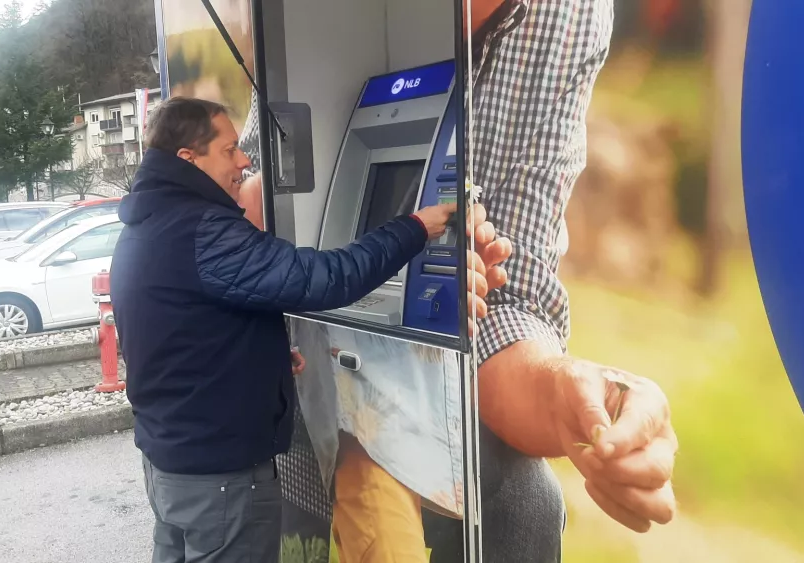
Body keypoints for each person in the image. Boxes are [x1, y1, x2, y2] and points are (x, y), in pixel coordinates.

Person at [278, 1, 679, 562]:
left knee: (524, 502)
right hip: (298, 354)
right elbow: (257, 209)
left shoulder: (570, 15)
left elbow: (512, 294)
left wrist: (572, 393)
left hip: (418, 377)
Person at [109, 96, 502, 563]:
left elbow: (186, 330)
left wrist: (266, 356)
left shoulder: (149, 221)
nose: (245, 161)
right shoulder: (204, 231)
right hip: (220, 477)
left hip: (172, 463)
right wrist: (415, 227)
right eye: (230, 149)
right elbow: (327, 278)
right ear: (188, 159)